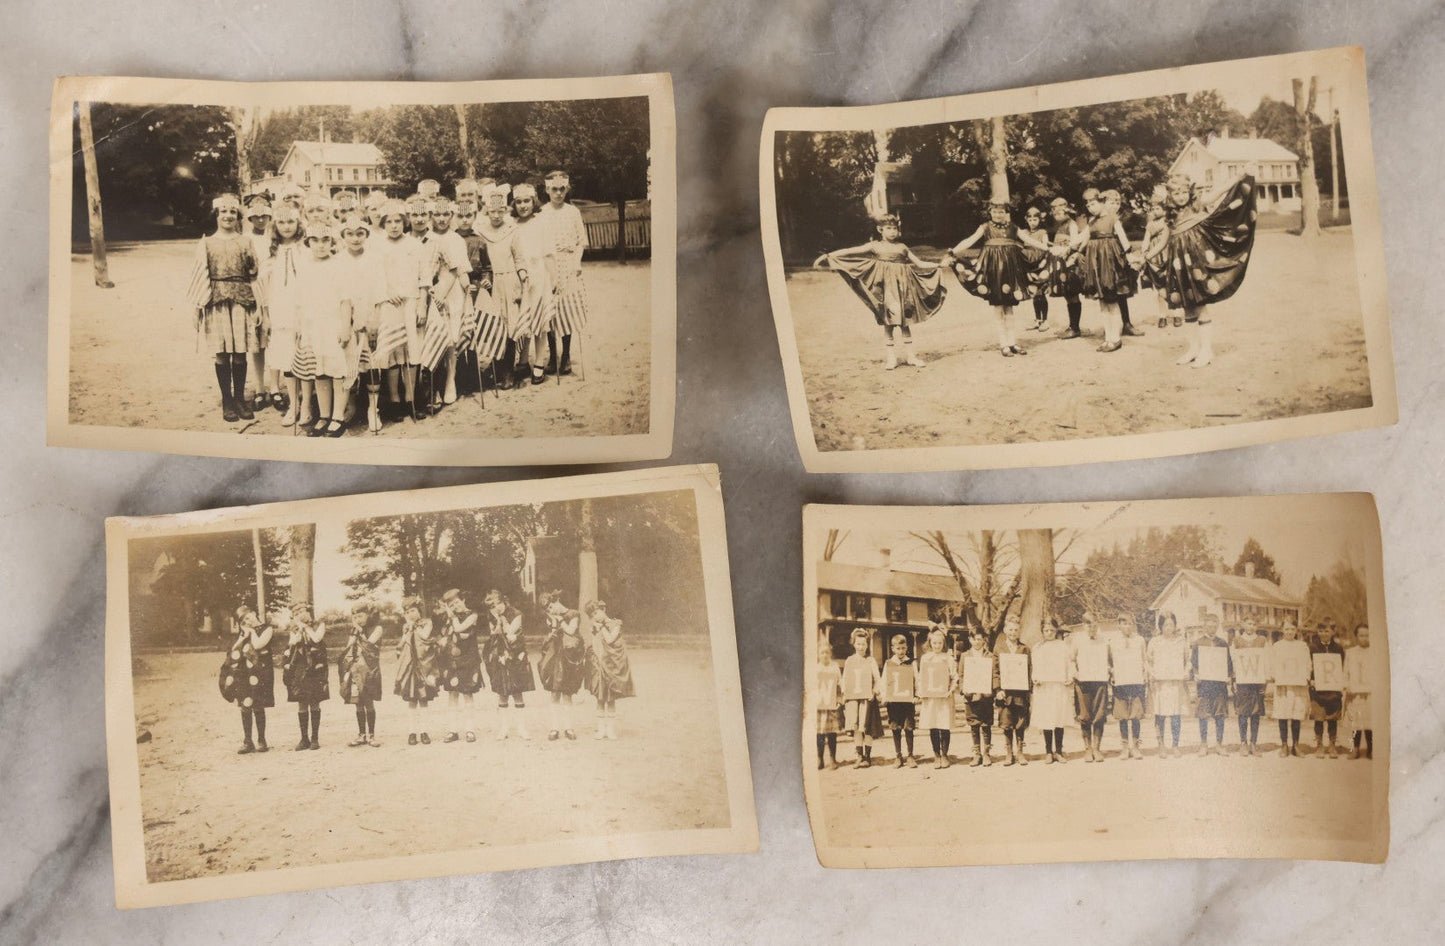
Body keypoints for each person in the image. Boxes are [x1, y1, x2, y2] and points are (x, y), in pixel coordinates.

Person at [1148, 172, 1258, 367]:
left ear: (1189, 192)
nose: (1181, 196)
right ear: (1170, 196)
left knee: (1200, 306)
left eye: (1184, 192)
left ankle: (1206, 350)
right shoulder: (1169, 218)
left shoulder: (1196, 205)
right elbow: (1163, 241)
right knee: (1188, 309)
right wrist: (1146, 255)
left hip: (1197, 264)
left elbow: (1218, 191)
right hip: (1179, 266)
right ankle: (1193, 349)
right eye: (1176, 193)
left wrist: (1237, 177)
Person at [812, 213, 946, 370]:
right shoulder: (875, 246)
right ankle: (891, 358)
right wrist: (828, 256)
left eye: (895, 228)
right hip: (886, 290)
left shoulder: (902, 247)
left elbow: (920, 263)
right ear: (880, 229)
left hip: (903, 289)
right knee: (889, 320)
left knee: (905, 321)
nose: (892, 232)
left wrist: (939, 265)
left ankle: (911, 356)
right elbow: (850, 251)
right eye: (888, 228)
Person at [185, 193, 260, 423]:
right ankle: (227, 400)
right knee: (221, 352)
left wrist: (259, 306)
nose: (228, 216)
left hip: (241, 301)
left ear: (238, 216)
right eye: (223, 212)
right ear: (216, 215)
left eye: (232, 212)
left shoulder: (246, 242)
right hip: (216, 302)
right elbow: (200, 276)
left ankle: (240, 398)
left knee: (239, 352)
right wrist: (197, 308)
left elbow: (254, 275)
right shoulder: (206, 243)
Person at [941, 202, 1051, 358]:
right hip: (993, 271)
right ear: (990, 212)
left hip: (1010, 270)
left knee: (1010, 307)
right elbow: (969, 240)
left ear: (1006, 213)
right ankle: (1003, 344)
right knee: (998, 306)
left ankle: (1012, 342)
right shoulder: (985, 227)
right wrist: (953, 251)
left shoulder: (1013, 227)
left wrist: (1048, 249)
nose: (998, 215)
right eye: (995, 211)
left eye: (1001, 212)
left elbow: (1030, 240)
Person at [371, 200, 430, 422]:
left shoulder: (415, 245)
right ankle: (395, 399)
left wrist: (422, 304)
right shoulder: (377, 246)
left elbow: (424, 277)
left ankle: (411, 398)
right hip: (389, 304)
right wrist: (386, 293)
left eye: (398, 221)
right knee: (394, 351)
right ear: (383, 224)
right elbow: (375, 277)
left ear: (404, 222)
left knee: (412, 350)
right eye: (389, 222)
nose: (394, 226)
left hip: (411, 302)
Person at [293, 227, 354, 438]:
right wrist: (299, 327)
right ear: (308, 242)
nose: (320, 245)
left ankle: (338, 416)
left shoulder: (339, 265)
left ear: (332, 242)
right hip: (312, 325)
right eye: (315, 240)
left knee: (337, 370)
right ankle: (324, 415)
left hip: (333, 324)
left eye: (325, 240)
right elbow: (299, 301)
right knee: (319, 370)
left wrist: (345, 327)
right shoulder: (304, 266)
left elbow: (345, 300)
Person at [477, 185, 529, 388]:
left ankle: (509, 371)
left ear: (506, 210)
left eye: (500, 211)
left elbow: (519, 258)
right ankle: (497, 368)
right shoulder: (481, 232)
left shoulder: (512, 231)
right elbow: (481, 261)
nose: (497, 215)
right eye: (493, 211)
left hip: (510, 281)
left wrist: (523, 278)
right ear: (487, 211)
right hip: (491, 283)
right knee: (495, 325)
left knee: (510, 327)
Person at [333, 216, 381, 432]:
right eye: (350, 234)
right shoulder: (337, 261)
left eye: (360, 233)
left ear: (367, 235)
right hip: (345, 318)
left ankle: (373, 408)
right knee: (348, 364)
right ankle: (351, 405)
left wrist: (374, 321)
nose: (355, 238)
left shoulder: (374, 259)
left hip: (370, 316)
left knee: (372, 363)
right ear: (343, 236)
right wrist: (346, 321)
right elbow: (337, 294)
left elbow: (380, 291)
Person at [540, 170, 590, 375]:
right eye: (554, 189)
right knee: (551, 311)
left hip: (568, 263)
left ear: (567, 189)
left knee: (567, 310)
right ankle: (553, 356)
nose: (558, 193)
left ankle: (566, 355)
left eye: (562, 189)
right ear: (547, 190)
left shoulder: (573, 212)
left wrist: (576, 262)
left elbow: (581, 242)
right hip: (548, 264)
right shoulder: (542, 213)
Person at [426, 198, 474, 408]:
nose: (442, 219)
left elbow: (461, 269)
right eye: (437, 214)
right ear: (431, 216)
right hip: (431, 290)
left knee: (452, 338)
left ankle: (450, 381)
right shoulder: (426, 238)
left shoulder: (456, 239)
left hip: (452, 290)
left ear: (451, 216)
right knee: (435, 335)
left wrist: (467, 288)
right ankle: (433, 386)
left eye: (446, 214)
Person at [1076, 187, 1135, 353]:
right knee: (1102, 301)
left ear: (1102, 202)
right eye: (1088, 205)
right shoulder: (1091, 222)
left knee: (1112, 299)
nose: (1091, 208)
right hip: (1095, 263)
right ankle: (1108, 338)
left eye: (1093, 204)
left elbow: (1122, 238)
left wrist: (1130, 256)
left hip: (1109, 261)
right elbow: (1083, 238)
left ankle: (1115, 339)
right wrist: (1073, 250)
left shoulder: (1112, 218)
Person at [512, 183, 558, 386]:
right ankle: (523, 360)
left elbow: (549, 252)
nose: (523, 206)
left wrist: (554, 278)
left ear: (534, 202)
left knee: (540, 320)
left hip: (539, 274)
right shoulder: (511, 224)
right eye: (519, 202)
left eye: (527, 201)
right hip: (518, 275)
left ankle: (539, 362)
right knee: (523, 318)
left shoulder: (541, 222)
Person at [264, 204, 305, 427]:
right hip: (280, 309)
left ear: (298, 223)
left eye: (291, 221)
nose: (286, 226)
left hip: (304, 309)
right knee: (286, 357)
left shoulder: (306, 247)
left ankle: (307, 404)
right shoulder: (271, 251)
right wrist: (266, 314)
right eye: (281, 222)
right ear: (275, 225)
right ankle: (294, 404)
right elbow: (264, 285)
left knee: (305, 356)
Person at [220, 605, 275, 754]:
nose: (247, 621)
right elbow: (234, 650)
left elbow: (257, 645)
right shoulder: (245, 632)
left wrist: (251, 632)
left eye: (248, 617)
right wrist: (243, 637)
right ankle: (247, 741)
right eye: (244, 621)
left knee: (258, 704)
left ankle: (262, 740)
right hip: (244, 672)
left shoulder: (267, 629)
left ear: (254, 613)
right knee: (245, 703)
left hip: (260, 671)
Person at [537, 591, 587, 741]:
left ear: (557, 600)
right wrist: (551, 632)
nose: (551, 611)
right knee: (554, 692)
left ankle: (568, 727)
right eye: (548, 609)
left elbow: (571, 631)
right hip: (556, 656)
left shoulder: (573, 614)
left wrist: (559, 621)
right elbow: (550, 635)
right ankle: (554, 728)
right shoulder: (552, 618)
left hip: (570, 656)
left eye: (551, 607)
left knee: (567, 693)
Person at [484, 590, 534, 739]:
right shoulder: (491, 616)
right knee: (502, 692)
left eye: (496, 604)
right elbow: (494, 633)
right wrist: (496, 621)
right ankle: (504, 728)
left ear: (503, 601)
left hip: (516, 654)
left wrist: (501, 620)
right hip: (500, 654)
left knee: (518, 691)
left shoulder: (516, 613)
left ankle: (521, 728)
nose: (494, 608)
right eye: (491, 606)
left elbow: (510, 631)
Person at [584, 599, 636, 740]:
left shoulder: (616, 624)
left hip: (612, 665)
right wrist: (594, 632)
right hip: (601, 664)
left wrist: (601, 628)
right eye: (592, 616)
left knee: (611, 698)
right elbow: (595, 644)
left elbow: (610, 639)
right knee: (600, 698)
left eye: (596, 613)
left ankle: (611, 729)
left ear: (603, 610)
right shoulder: (596, 627)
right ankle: (601, 729)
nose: (595, 617)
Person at [437, 588, 483, 743]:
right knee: (452, 694)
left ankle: (470, 730)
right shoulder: (450, 618)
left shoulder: (472, 615)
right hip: (452, 660)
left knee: (467, 693)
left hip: (469, 659)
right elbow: (445, 635)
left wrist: (452, 616)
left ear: (463, 600)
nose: (455, 606)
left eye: (457, 602)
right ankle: (453, 730)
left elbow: (459, 628)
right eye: (451, 605)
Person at [243, 196, 274, 413]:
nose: (261, 220)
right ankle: (260, 388)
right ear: (250, 218)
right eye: (256, 216)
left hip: (275, 291)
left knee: (276, 341)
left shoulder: (275, 237)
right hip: (254, 291)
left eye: (264, 216)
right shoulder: (245, 239)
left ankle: (276, 388)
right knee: (258, 343)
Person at [394, 596, 438, 746]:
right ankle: (412, 732)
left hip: (424, 665)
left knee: (423, 699)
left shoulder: (427, 623)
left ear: (419, 610)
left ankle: (424, 731)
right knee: (412, 699)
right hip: (410, 666)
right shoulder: (406, 627)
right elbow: (402, 643)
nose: (411, 614)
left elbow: (425, 636)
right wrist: (408, 629)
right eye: (407, 612)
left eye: (413, 610)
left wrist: (414, 627)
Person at [283, 604, 328, 750]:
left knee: (314, 700)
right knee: (301, 701)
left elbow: (317, 638)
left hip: (316, 666)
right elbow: (292, 644)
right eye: (296, 613)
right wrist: (297, 633)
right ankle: (304, 738)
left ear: (309, 612)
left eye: (302, 611)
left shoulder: (319, 624)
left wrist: (306, 627)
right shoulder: (295, 629)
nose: (300, 615)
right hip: (300, 667)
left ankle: (315, 738)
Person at [338, 603, 383, 748]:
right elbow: (348, 648)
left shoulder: (377, 628)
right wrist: (354, 633)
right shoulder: (355, 631)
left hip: (370, 669)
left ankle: (371, 735)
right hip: (355, 669)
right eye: (355, 617)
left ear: (368, 615)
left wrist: (360, 632)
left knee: (369, 701)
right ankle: (361, 734)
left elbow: (368, 645)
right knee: (357, 701)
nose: (358, 619)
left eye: (361, 616)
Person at [1101, 189, 1144, 338]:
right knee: (1107, 291)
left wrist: (1129, 255)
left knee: (1121, 290)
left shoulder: (1115, 219)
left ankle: (1126, 324)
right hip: (1104, 259)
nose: (1115, 206)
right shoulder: (1098, 219)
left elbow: (1123, 240)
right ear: (1103, 203)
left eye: (1117, 203)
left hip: (1118, 257)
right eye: (1111, 203)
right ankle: (1111, 325)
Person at [839, 627, 883, 767]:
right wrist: (845, 694)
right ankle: (859, 755)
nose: (861, 647)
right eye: (858, 644)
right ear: (853, 644)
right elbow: (845, 679)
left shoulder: (870, 661)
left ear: (867, 644)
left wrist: (874, 691)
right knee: (857, 727)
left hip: (868, 699)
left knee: (868, 727)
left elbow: (877, 679)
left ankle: (867, 757)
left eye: (863, 644)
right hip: (853, 700)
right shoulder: (849, 660)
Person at [1147, 611, 1189, 757]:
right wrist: (1152, 673)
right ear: (1161, 626)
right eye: (1166, 625)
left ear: (1175, 626)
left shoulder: (1181, 641)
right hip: (1160, 685)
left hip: (1176, 684)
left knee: (1175, 715)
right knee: (1160, 715)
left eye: (1171, 624)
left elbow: (1188, 660)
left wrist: (1186, 672)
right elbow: (1148, 661)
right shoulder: (1154, 642)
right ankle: (1161, 746)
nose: (1169, 628)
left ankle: (1175, 746)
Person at [1070, 613, 1111, 761]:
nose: (1092, 629)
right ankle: (1088, 749)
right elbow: (1071, 660)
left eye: (1094, 626)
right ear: (1083, 626)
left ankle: (1096, 748)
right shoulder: (1077, 640)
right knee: (1085, 715)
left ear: (1097, 625)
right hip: (1083, 683)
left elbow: (1109, 660)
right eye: (1089, 626)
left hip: (1100, 682)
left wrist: (1108, 670)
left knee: (1100, 714)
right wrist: (1074, 672)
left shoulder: (1104, 640)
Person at [1045, 197, 1087, 339]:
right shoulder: (1061, 226)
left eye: (1058, 211)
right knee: (1068, 294)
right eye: (1053, 211)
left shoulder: (1072, 224)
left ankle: (1075, 328)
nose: (1055, 214)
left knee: (1072, 293)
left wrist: (1065, 250)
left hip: (1070, 263)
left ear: (1066, 210)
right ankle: (1072, 326)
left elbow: (1075, 244)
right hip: (1062, 263)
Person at [1031, 618, 1072, 763]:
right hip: (1044, 688)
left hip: (1059, 687)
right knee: (1047, 719)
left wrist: (1069, 677)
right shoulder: (1037, 647)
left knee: (1058, 718)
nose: (1049, 633)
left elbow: (1069, 664)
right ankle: (1048, 752)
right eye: (1046, 630)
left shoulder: (1063, 646)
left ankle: (1059, 751)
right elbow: (1034, 667)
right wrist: (1035, 678)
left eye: (1052, 630)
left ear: (1056, 631)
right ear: (1042, 631)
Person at [1269, 621, 1312, 757]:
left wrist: (1306, 677)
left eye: (1292, 629)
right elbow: (1272, 664)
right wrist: (1275, 676)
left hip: (1297, 686)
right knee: (1282, 714)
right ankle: (1284, 745)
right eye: (1287, 629)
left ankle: (1296, 745)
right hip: (1283, 686)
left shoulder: (1302, 646)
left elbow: (1308, 664)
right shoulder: (1277, 646)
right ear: (1282, 630)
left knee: (1296, 715)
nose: (1289, 632)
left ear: (1296, 630)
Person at [1192, 615, 1233, 755]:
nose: (1212, 629)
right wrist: (1196, 674)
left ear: (1217, 626)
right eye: (1209, 626)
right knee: (1203, 714)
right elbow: (1194, 663)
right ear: (1204, 627)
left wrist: (1228, 676)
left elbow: (1228, 663)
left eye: (1214, 626)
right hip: (1204, 686)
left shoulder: (1222, 643)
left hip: (1219, 686)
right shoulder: (1198, 643)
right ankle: (1203, 744)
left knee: (1219, 714)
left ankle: (1219, 744)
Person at [917, 625, 957, 769]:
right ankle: (936, 755)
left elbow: (954, 677)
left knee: (944, 725)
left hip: (944, 698)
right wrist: (921, 691)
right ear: (930, 643)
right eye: (934, 643)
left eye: (940, 643)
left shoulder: (948, 659)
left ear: (943, 643)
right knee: (933, 724)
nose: (937, 645)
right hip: (931, 698)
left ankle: (945, 755)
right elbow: (921, 677)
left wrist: (950, 690)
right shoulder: (925, 658)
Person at [1109, 613, 1147, 761]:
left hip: (1136, 682)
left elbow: (1144, 659)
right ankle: (1125, 747)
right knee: (1123, 716)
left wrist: (1145, 674)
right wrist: (1112, 673)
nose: (1128, 626)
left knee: (1136, 715)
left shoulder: (1139, 640)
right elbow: (1109, 662)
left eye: (1130, 623)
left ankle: (1136, 747)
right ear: (1119, 625)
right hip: (1121, 683)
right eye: (1124, 623)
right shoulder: (1112, 642)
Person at [960, 626, 998, 767]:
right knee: (974, 725)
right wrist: (964, 689)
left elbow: (994, 675)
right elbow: (961, 675)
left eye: (979, 639)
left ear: (984, 640)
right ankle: (977, 754)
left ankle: (986, 753)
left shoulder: (990, 656)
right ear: (970, 639)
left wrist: (992, 690)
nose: (977, 642)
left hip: (986, 696)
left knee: (986, 724)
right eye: (974, 639)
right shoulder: (965, 656)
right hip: (971, 696)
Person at [1309, 621, 1347, 758]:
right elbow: (1308, 666)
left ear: (1332, 632)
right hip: (1317, 689)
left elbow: (1342, 667)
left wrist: (1341, 681)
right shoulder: (1312, 647)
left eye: (1327, 631)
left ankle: (1332, 745)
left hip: (1333, 689)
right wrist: (1311, 679)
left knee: (1332, 718)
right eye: (1321, 631)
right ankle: (1319, 745)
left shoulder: (1338, 648)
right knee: (1318, 718)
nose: (1324, 634)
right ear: (1317, 632)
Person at [880, 634, 919, 768]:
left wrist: (917, 695)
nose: (901, 651)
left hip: (908, 701)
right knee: (895, 728)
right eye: (898, 648)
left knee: (909, 727)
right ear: (893, 648)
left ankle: (910, 756)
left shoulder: (911, 663)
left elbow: (917, 680)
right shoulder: (889, 664)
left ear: (907, 648)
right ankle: (898, 756)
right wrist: (884, 696)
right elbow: (884, 682)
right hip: (894, 702)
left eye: (903, 648)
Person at [1230, 619, 1269, 755]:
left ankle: (1253, 743)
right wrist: (1234, 680)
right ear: (1243, 625)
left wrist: (1265, 681)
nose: (1251, 626)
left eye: (1253, 624)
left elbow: (1266, 661)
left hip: (1257, 681)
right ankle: (1243, 743)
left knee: (1255, 712)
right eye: (1248, 623)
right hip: (1242, 682)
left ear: (1257, 626)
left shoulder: (1262, 640)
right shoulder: (1237, 641)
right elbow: (1233, 661)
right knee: (1242, 712)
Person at [1344, 624, 1375, 760]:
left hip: (1370, 692)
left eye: (1367, 635)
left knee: (1369, 721)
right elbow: (1346, 671)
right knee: (1355, 721)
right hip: (1355, 692)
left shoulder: (1374, 652)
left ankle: (1370, 749)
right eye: (1361, 635)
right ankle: (1355, 749)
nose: (1364, 638)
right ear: (1356, 636)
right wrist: (1347, 686)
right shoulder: (1350, 652)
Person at [815, 633, 844, 770]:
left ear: (830, 653)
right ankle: (820, 758)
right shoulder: (816, 668)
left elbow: (839, 685)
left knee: (832, 732)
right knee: (819, 732)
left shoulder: (834, 667)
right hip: (819, 705)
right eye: (822, 653)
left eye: (827, 652)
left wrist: (839, 699)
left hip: (831, 705)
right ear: (818, 654)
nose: (825, 655)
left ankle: (833, 758)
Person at [1021, 205, 1051, 331]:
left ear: (1039, 220)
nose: (1032, 222)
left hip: (1040, 264)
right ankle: (1037, 319)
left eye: (1035, 220)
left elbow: (1046, 249)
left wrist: (1043, 262)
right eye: (1030, 220)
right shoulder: (1024, 233)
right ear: (1026, 220)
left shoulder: (1042, 233)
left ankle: (1045, 320)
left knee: (1041, 293)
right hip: (1029, 265)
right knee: (1034, 293)